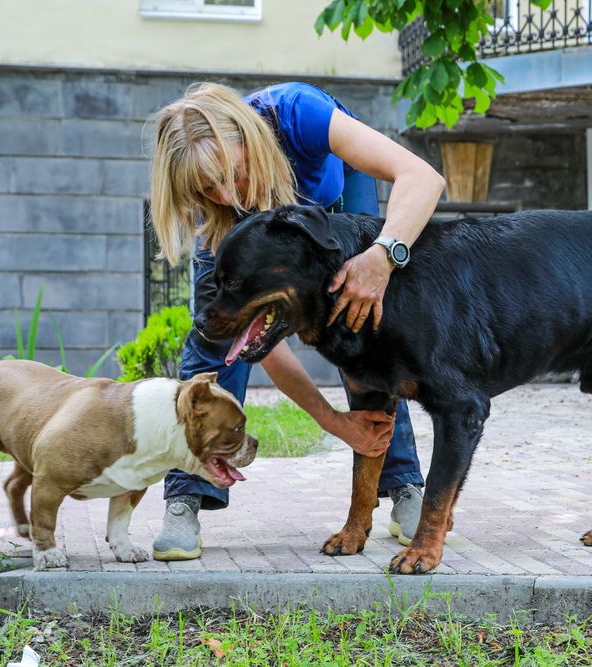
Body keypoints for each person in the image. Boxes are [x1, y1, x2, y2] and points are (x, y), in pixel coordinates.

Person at [148, 81, 445, 560]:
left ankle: (403, 482)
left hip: (339, 195)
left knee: (365, 323)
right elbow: (260, 344)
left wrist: (381, 258)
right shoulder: (218, 214)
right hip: (266, 236)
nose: (228, 194)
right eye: (208, 189)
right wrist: (332, 421)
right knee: (213, 338)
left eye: (233, 173)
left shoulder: (298, 114)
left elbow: (422, 177)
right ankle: (184, 495)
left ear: (247, 138)